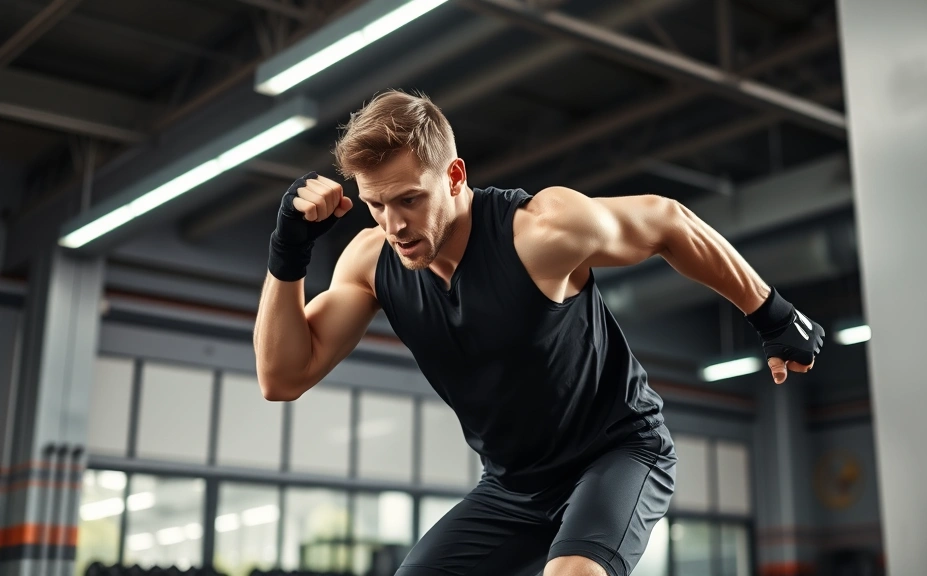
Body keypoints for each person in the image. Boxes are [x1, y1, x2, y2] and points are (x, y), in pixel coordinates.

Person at [253, 90, 824, 576]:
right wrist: (287, 256)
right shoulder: (371, 262)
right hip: (513, 487)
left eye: (410, 199)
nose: (395, 224)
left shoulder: (541, 233)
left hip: (619, 453)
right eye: (377, 205)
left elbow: (668, 221)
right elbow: (282, 377)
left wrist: (772, 314)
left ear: (454, 177)